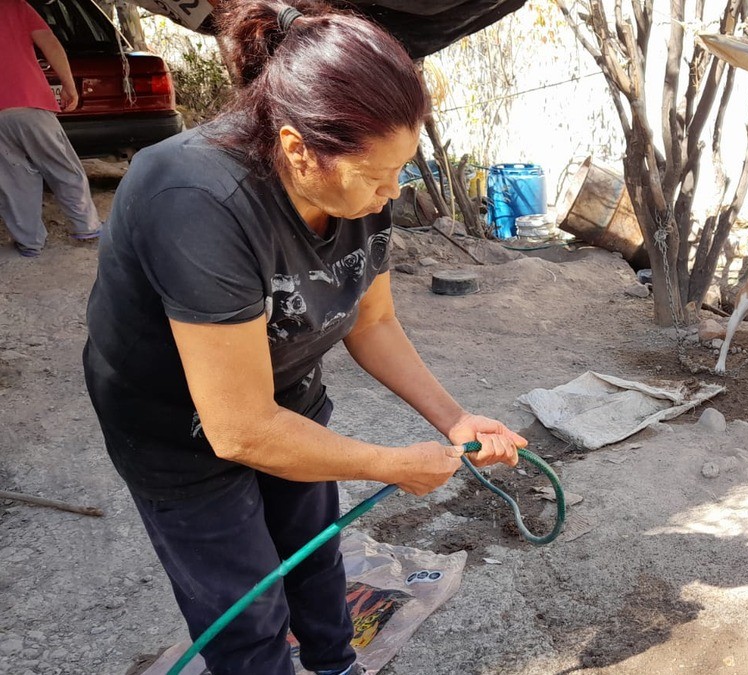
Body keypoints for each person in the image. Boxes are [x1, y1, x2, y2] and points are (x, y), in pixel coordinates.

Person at [82, 1, 525, 673]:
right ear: (297, 149)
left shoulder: (358, 192)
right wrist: (388, 463)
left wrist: (455, 417)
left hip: (285, 394)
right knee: (247, 603)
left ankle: (334, 661)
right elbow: (238, 429)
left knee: (315, 550)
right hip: (177, 429)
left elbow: (372, 321)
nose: (391, 192)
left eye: (399, 170)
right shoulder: (198, 201)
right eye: (377, 175)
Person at [0, 0, 103, 257]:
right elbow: (50, 43)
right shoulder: (15, 6)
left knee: (14, 179)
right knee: (62, 166)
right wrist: (69, 86)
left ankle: (29, 242)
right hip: (28, 101)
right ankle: (86, 226)